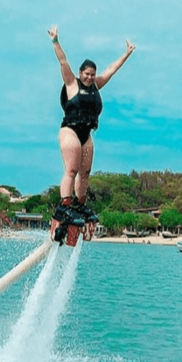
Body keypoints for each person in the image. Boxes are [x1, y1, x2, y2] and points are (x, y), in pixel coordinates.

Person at [47, 25, 135, 229]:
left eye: (92, 74)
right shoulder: (71, 83)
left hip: (86, 134)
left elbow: (111, 70)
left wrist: (126, 54)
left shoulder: (96, 85)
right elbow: (62, 61)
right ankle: (65, 205)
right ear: (80, 73)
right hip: (70, 130)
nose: (89, 77)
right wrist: (55, 41)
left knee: (84, 173)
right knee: (71, 169)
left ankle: (79, 205)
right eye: (86, 74)